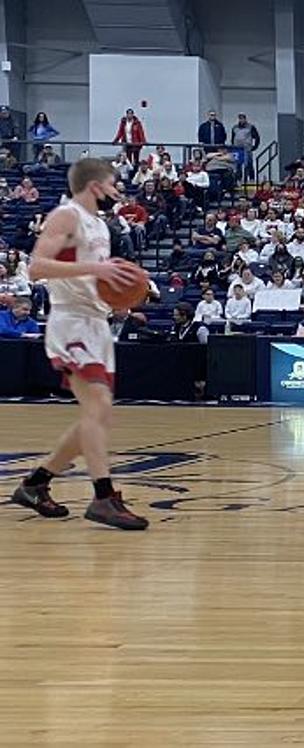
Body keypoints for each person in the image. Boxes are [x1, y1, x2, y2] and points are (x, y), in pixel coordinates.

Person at [9, 158, 149, 529]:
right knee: (98, 405)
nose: (118, 190)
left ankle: (35, 483)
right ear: (95, 186)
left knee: (98, 414)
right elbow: (36, 267)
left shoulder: (100, 225)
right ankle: (103, 497)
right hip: (70, 321)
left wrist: (122, 294)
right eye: (113, 184)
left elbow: (98, 279)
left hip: (96, 323)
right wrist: (96, 270)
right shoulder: (65, 216)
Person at [230, 113, 261, 182]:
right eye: (240, 118)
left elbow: (257, 137)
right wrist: (233, 147)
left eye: (243, 118)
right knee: (238, 165)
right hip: (237, 148)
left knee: (249, 164)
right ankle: (238, 179)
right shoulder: (235, 127)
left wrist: (255, 146)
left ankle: (251, 178)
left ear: (245, 119)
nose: (241, 120)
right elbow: (232, 138)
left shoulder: (250, 127)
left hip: (247, 148)